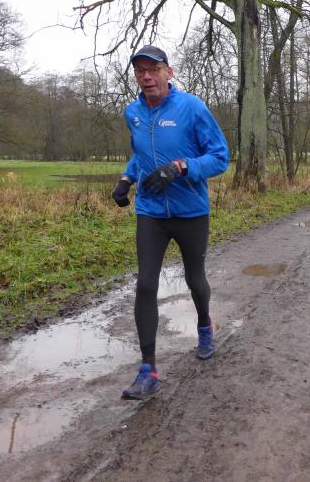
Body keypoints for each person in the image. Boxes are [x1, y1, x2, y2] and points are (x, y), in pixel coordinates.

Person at [110, 45, 230, 400]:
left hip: (190, 211)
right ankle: (148, 370)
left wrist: (182, 167)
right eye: (140, 71)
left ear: (169, 72)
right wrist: (127, 179)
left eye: (154, 69)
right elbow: (140, 154)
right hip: (151, 212)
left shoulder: (192, 108)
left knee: (195, 279)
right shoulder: (133, 112)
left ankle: (204, 324)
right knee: (145, 284)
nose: (147, 76)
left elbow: (220, 157)